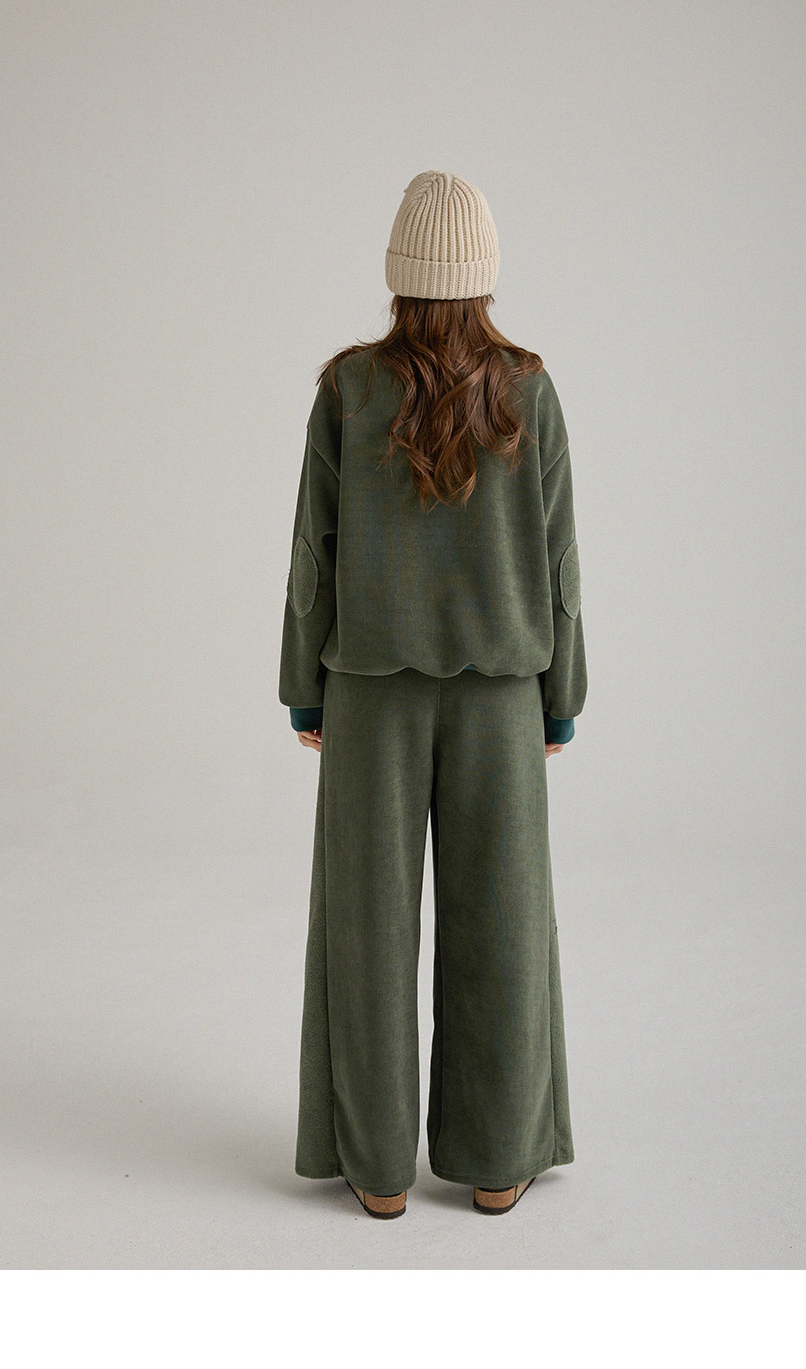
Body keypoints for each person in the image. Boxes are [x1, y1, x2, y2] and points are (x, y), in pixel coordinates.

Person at [278, 170, 588, 1219]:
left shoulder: (348, 388)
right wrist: (560, 697)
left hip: (370, 694)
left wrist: (304, 689)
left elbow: (313, 552)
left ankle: (376, 1172)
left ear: (398, 272)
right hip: (502, 697)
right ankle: (498, 1163)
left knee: (364, 928)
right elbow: (559, 558)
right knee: (505, 924)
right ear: (485, 272)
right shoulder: (528, 388)